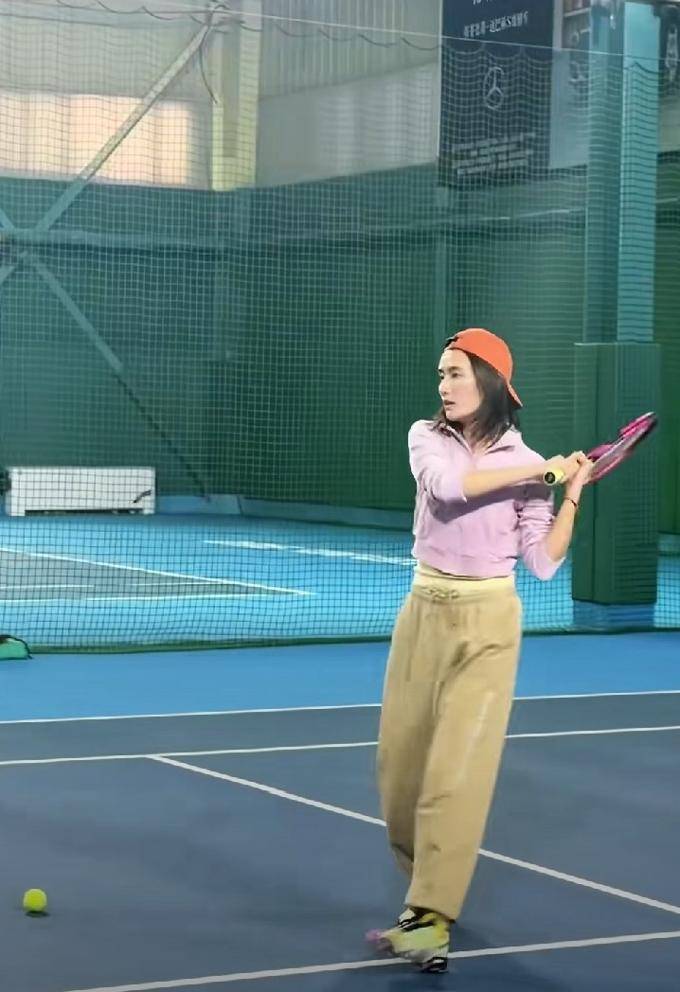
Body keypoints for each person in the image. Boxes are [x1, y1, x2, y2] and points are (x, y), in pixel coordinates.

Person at [374, 328, 591, 973]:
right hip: (423, 611)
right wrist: (542, 470)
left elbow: (542, 561)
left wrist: (570, 493)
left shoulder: (530, 461)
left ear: (488, 382)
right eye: (441, 375)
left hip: (489, 621)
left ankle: (429, 916)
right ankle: (421, 900)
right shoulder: (426, 437)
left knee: (455, 776)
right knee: (399, 777)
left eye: (455, 374)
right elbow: (449, 488)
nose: (443, 386)